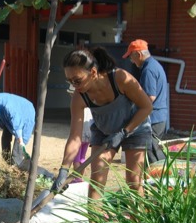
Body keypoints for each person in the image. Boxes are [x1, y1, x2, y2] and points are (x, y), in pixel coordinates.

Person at [51, 47, 152, 205]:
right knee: (97, 180)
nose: (74, 85)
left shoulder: (120, 78)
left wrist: (123, 132)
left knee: (134, 181)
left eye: (77, 80)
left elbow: (146, 107)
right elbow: (75, 137)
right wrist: (64, 169)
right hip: (104, 130)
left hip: (134, 128)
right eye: (69, 81)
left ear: (92, 72)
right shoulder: (79, 96)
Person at [0, 92, 53, 178]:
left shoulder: (9, 108)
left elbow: (17, 125)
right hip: (10, 117)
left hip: (25, 116)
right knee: (5, 139)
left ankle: (46, 174)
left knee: (17, 159)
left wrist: (20, 141)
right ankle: (7, 164)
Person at [123, 39, 168, 163]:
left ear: (138, 54)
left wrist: (133, 111)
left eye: (131, 57)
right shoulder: (155, 65)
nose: (131, 61)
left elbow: (149, 98)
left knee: (153, 155)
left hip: (154, 119)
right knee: (152, 153)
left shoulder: (148, 70)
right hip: (159, 117)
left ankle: (160, 179)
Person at [67, 84, 94, 182]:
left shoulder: (77, 106)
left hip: (79, 135)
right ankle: (80, 177)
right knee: (83, 157)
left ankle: (77, 178)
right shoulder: (89, 104)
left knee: (76, 158)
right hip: (89, 134)